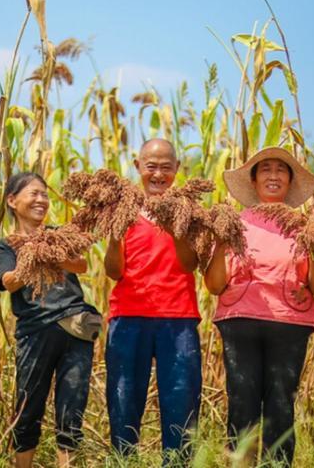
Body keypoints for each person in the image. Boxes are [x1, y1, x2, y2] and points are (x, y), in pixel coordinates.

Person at [204, 147, 314, 466]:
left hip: (289, 325)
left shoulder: (305, 227)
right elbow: (215, 285)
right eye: (266, 170)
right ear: (254, 180)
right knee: (242, 403)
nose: (273, 175)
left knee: (280, 405)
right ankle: (241, 463)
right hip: (240, 321)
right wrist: (219, 243)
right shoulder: (233, 223)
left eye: (281, 170)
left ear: (289, 182)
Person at [103, 139, 202, 463]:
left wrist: (175, 228)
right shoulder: (123, 210)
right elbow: (113, 271)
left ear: (176, 169)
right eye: (151, 166)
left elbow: (190, 264)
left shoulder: (188, 211)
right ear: (137, 167)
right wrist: (116, 235)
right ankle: (124, 462)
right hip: (129, 316)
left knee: (181, 403)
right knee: (123, 401)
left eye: (165, 167)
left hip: (179, 318)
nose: (158, 174)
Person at [0, 172, 100, 468]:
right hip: (35, 334)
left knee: (72, 409)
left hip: (74, 328)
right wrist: (31, 255)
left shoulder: (58, 235)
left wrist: (48, 250)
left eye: (44, 194)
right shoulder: (6, 246)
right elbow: (8, 282)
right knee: (28, 408)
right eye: (33, 194)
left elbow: (81, 264)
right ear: (12, 201)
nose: (41, 200)